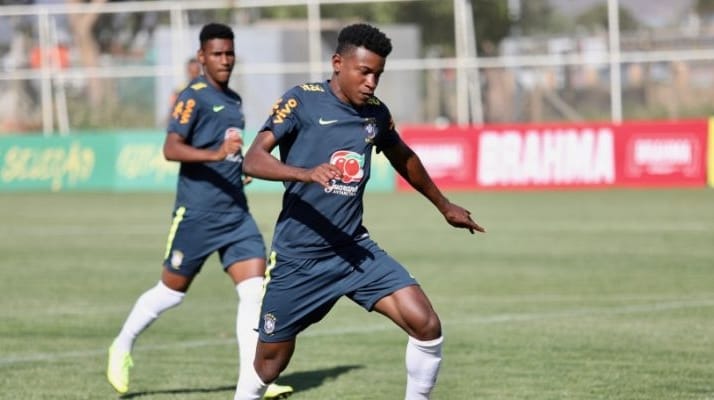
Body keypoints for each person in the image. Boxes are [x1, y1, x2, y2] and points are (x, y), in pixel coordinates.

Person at [236, 23, 485, 400]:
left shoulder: (375, 115)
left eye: (378, 75)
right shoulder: (301, 101)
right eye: (364, 72)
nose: (371, 83)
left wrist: (443, 204)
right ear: (338, 63)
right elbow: (253, 159)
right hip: (299, 257)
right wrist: (305, 173)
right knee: (269, 365)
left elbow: (403, 157)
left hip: (353, 249)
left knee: (426, 325)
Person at [106, 23, 292, 400]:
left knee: (254, 293)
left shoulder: (234, 99)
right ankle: (121, 345)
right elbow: (171, 148)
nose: (225, 60)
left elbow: (228, 151)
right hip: (197, 215)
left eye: (229, 53)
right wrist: (217, 155)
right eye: (217, 54)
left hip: (236, 215)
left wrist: (237, 167)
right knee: (171, 293)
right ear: (202, 57)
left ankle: (253, 379)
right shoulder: (192, 97)